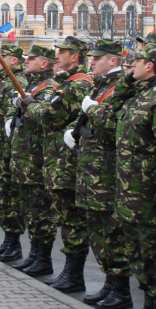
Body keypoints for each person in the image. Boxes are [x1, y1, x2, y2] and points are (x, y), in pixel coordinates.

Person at [114, 44, 156, 309]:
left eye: (134, 63)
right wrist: (125, 81)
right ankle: (147, 299)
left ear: (149, 65)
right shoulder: (137, 94)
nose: (130, 67)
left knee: (155, 255)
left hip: (149, 191)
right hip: (129, 190)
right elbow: (112, 108)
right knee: (136, 254)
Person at [27, 37, 93, 284]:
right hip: (57, 162)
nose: (57, 55)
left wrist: (28, 106)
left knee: (71, 220)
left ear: (74, 56)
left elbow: (49, 118)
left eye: (62, 51)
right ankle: (68, 270)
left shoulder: (77, 85)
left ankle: (74, 274)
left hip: (67, 164)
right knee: (65, 218)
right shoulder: (68, 83)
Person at [73, 39, 133, 307]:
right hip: (90, 171)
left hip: (107, 172)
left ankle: (121, 290)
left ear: (114, 60)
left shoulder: (121, 87)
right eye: (91, 57)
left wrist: (92, 110)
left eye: (98, 58)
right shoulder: (101, 85)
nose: (92, 61)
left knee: (111, 234)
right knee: (98, 232)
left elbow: (114, 126)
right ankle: (109, 284)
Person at [9, 46, 58, 275]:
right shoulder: (31, 85)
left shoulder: (49, 87)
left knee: (42, 213)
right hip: (25, 159)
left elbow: (45, 117)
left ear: (44, 64)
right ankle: (34, 255)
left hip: (37, 159)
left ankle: (44, 259)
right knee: (30, 211)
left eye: (32, 59)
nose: (26, 62)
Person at [0, 45, 28, 263]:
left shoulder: (18, 82)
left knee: (10, 197)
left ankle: (14, 243)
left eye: (3, 57)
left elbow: (13, 112)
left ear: (15, 61)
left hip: (7, 149)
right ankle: (7, 241)